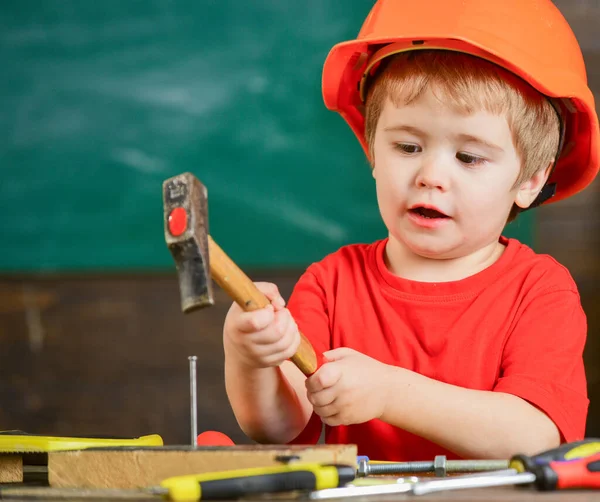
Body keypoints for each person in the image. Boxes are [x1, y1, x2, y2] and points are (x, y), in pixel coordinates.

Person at [222, 0, 600, 461]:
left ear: (529, 181)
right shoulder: (331, 283)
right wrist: (250, 359)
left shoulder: (540, 291)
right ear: (372, 152)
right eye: (407, 145)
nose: (431, 175)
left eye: (469, 157)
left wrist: (390, 394)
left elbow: (534, 438)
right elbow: (279, 428)